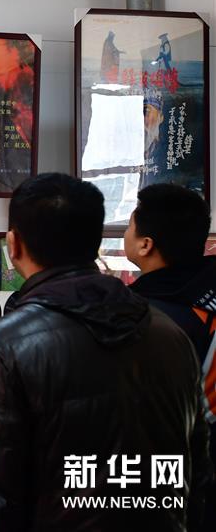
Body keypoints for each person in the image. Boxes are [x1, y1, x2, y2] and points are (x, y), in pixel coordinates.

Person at [0, 173, 211, 531]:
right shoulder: (168, 332)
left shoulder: (2, 346)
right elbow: (196, 470)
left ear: (14, 244)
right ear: (95, 242)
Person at [123, 183, 216, 529]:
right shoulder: (203, 292)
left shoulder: (146, 319)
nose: (127, 232)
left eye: (130, 225)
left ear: (145, 245)